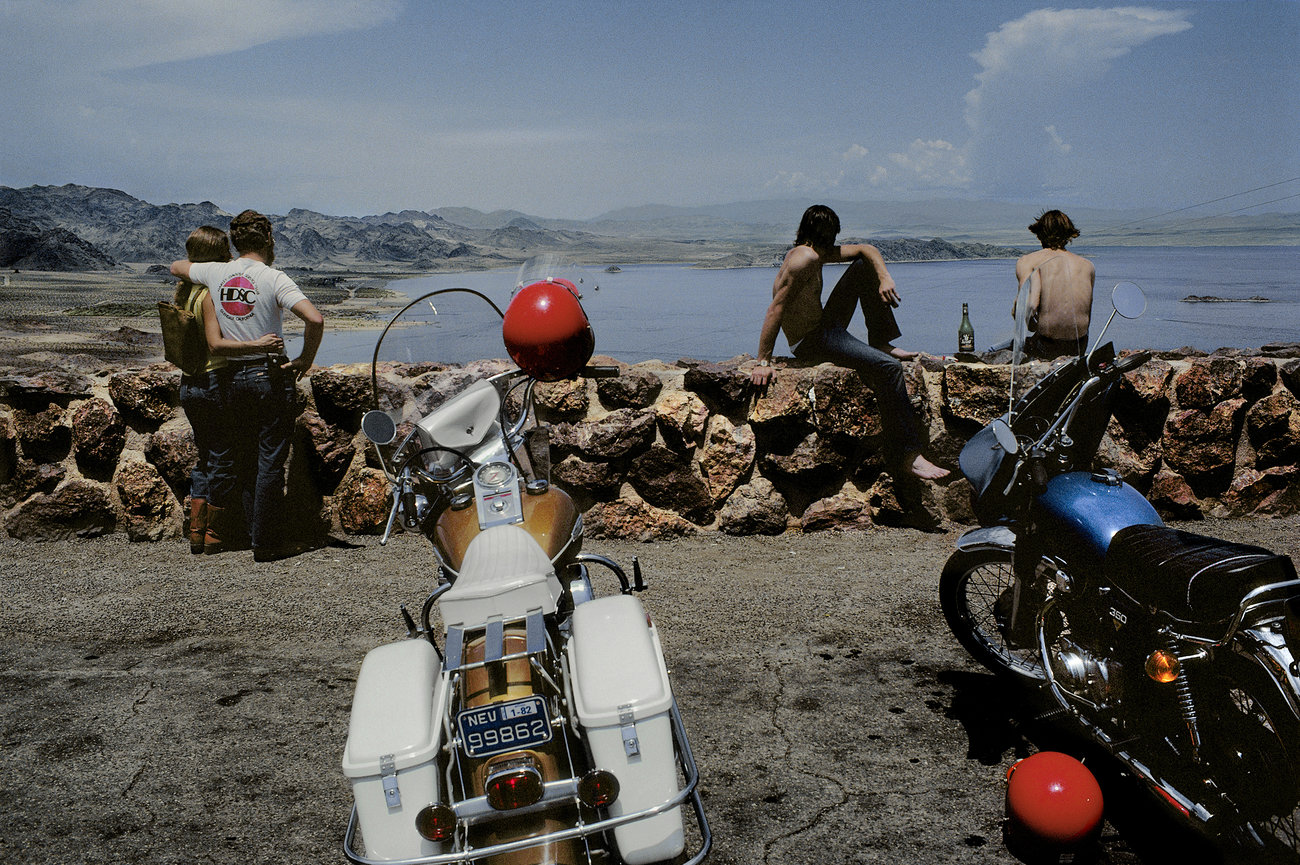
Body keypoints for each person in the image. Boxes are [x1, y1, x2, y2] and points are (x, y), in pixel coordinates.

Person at [751, 204, 948, 480]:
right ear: (825, 233)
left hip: (823, 328)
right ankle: (909, 456)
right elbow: (776, 308)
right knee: (889, 369)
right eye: (831, 234)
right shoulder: (803, 259)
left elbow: (867, 249)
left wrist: (884, 277)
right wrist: (763, 361)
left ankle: (880, 341)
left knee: (863, 266)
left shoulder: (813, 252)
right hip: (813, 341)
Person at [171, 210, 324, 562]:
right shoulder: (273, 277)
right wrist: (304, 359)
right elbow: (314, 318)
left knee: (246, 460)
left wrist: (205, 263)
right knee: (270, 461)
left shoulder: (216, 272)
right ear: (269, 240)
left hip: (230, 380)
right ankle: (266, 544)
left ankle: (240, 533)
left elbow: (177, 267)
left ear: (235, 242)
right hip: (268, 376)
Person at [1014, 210, 1095, 359]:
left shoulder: (1029, 261)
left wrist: (1018, 313)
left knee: (995, 351)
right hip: (1079, 345)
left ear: (1039, 234)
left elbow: (1029, 305)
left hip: (1047, 345)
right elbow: (1086, 311)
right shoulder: (1087, 266)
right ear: (1069, 234)